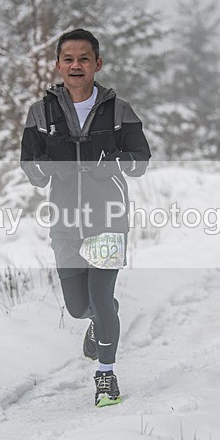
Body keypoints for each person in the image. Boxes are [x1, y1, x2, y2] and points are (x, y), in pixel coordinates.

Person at [20, 29, 151, 407]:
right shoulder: (41, 112)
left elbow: (140, 161)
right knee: (79, 306)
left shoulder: (118, 110)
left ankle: (106, 375)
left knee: (101, 295)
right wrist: (44, 171)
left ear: (98, 64)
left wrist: (114, 161)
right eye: (69, 59)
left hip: (108, 217)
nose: (76, 65)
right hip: (64, 221)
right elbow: (30, 162)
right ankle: (100, 317)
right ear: (59, 64)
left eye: (84, 58)